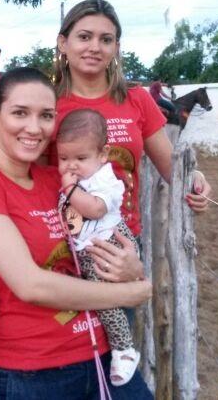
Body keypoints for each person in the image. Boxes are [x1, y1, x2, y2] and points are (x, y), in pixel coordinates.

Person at [0, 67, 154, 399]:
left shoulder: (57, 180)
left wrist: (132, 268)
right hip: (33, 373)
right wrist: (130, 293)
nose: (35, 128)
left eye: (46, 115)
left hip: (102, 354)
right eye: (20, 113)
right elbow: (30, 285)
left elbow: (107, 232)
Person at [50, 0, 211, 244]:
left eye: (106, 40)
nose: (95, 47)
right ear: (63, 43)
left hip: (123, 241)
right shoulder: (46, 103)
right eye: (84, 37)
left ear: (116, 47)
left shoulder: (137, 99)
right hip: (63, 242)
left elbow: (171, 167)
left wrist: (196, 177)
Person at [55, 108, 140, 386]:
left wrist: (69, 189)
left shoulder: (104, 179)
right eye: (64, 158)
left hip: (108, 243)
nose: (71, 166)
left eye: (81, 158)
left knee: (105, 301)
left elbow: (95, 209)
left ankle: (124, 349)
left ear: (103, 154)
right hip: (92, 247)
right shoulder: (80, 179)